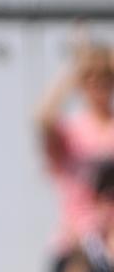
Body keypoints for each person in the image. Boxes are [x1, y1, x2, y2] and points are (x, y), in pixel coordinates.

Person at [36, 34, 114, 248]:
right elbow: (42, 118)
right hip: (77, 244)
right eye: (91, 78)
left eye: (105, 78)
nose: (98, 85)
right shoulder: (72, 131)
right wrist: (75, 68)